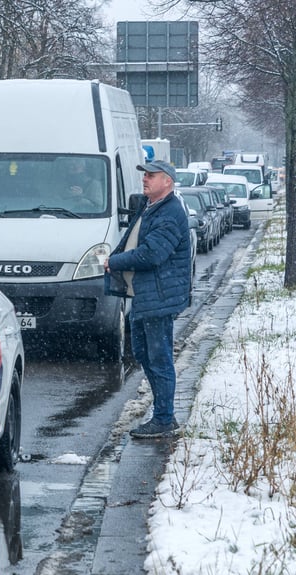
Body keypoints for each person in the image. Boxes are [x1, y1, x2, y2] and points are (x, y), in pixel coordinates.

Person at [104, 160, 191, 438]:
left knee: (159, 358)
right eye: (145, 175)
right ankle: (162, 414)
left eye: (151, 176)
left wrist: (114, 262)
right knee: (144, 353)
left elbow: (152, 254)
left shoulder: (169, 213)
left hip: (159, 296)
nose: (145, 179)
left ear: (168, 181)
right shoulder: (151, 206)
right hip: (147, 294)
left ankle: (164, 418)